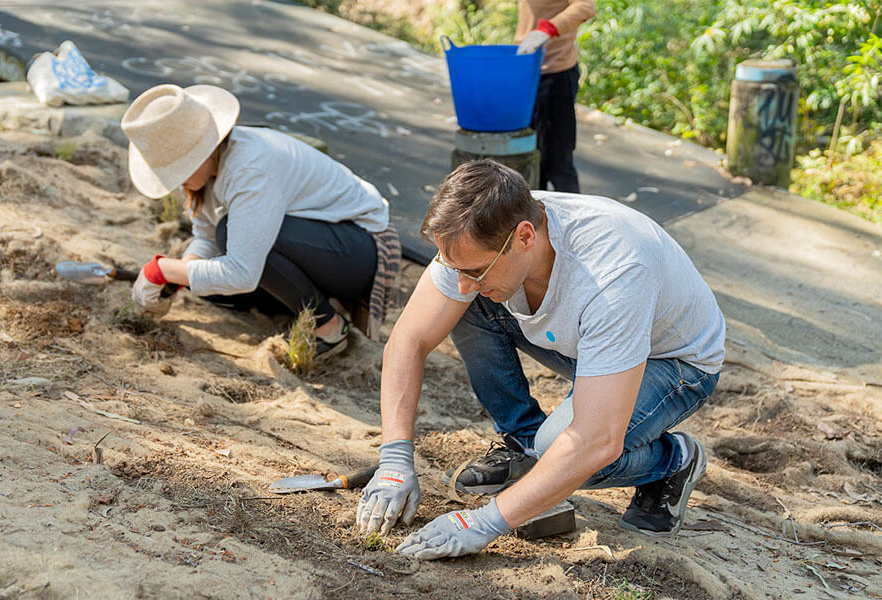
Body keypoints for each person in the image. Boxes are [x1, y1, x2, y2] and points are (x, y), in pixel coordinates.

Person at [355, 160, 725, 559]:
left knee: (568, 450)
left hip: (673, 361)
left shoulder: (614, 272)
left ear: (526, 237)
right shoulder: (480, 234)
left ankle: (675, 460)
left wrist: (485, 522)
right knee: (468, 304)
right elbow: (408, 340)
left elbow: (596, 441)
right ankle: (525, 446)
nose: (462, 282)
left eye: (476, 269)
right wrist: (394, 461)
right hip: (589, 342)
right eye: (456, 268)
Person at [121, 84, 399, 357]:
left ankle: (328, 326)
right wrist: (184, 270)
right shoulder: (212, 167)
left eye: (178, 169)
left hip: (358, 250)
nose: (176, 181)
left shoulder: (249, 170)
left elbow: (241, 272)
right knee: (210, 288)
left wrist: (160, 271)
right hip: (318, 244)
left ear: (203, 150)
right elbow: (204, 234)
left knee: (228, 236)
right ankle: (309, 299)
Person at [516, 0, 595, 193]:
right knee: (532, 160)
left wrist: (548, 29)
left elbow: (585, 6)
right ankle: (536, 220)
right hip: (526, 69)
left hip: (556, 72)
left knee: (557, 162)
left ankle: (575, 220)